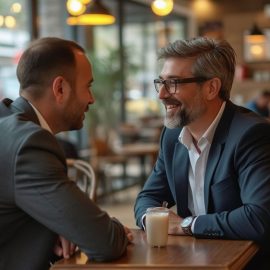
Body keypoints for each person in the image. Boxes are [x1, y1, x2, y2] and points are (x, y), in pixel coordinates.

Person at [134, 37, 270, 269]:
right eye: (161, 82)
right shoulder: (171, 137)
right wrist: (154, 220)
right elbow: (147, 198)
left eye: (174, 83)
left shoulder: (251, 134)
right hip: (192, 260)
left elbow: (259, 218)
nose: (162, 94)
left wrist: (187, 225)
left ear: (211, 88)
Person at [0, 37, 132, 270]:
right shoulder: (30, 144)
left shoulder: (6, 120)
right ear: (60, 88)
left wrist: (55, 226)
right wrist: (115, 228)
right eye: (88, 86)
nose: (91, 99)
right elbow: (105, 242)